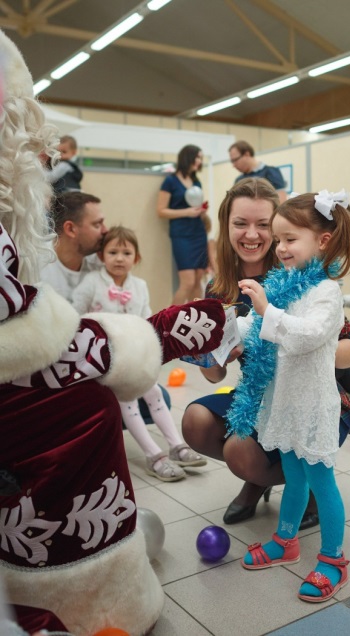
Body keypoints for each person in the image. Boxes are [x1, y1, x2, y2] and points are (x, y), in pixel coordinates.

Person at [0, 30, 226, 635]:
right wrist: (156, 337)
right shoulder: (43, 267)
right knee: (97, 402)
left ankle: (168, 446)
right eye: (98, 226)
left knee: (139, 390)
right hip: (56, 544)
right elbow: (36, 344)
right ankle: (95, 579)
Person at [182, 179, 350, 531]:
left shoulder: (299, 273)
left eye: (263, 225)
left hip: (309, 396)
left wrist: (296, 340)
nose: (252, 235)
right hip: (258, 395)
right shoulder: (219, 288)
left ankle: (280, 479)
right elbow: (216, 373)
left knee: (239, 450)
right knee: (195, 422)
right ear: (226, 225)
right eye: (240, 223)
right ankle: (265, 473)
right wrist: (207, 349)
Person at [231, 189, 350, 604]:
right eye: (279, 238)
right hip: (283, 402)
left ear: (322, 241)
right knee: (294, 476)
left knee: (322, 483)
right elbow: (254, 329)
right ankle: (286, 540)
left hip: (313, 406)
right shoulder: (284, 284)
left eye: (290, 239)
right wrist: (224, 334)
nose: (280, 247)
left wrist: (268, 310)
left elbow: (308, 337)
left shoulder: (326, 291)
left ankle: (333, 559)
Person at [72, 225, 207, 481]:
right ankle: (154, 455)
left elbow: (147, 322)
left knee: (154, 392)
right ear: (102, 256)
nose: (120, 258)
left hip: (135, 356)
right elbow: (76, 316)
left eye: (126, 252)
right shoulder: (91, 282)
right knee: (128, 400)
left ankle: (176, 445)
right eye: (113, 252)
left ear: (136, 257)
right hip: (107, 362)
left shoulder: (140, 286)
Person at [42, 190, 172, 422]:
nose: (105, 230)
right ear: (71, 229)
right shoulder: (39, 267)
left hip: (105, 359)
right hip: (58, 366)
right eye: (97, 223)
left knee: (158, 398)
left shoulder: (101, 263)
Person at [157, 144, 209, 304]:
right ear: (188, 158)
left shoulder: (196, 181)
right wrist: (186, 212)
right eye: (197, 157)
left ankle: (198, 318)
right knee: (187, 282)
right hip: (181, 235)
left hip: (198, 232)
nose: (199, 161)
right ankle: (170, 321)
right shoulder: (170, 181)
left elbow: (195, 206)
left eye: (201, 158)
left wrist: (201, 210)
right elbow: (161, 211)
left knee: (198, 279)